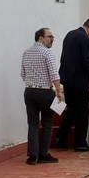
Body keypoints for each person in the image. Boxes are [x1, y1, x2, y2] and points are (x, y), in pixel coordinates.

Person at [19, 26, 65, 165]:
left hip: (29, 90)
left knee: (32, 123)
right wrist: (59, 91)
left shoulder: (26, 53)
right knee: (46, 123)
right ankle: (43, 153)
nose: (52, 39)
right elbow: (54, 74)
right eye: (50, 37)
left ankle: (32, 155)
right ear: (41, 38)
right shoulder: (47, 53)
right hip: (45, 91)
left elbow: (23, 74)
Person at [54, 16, 89, 152]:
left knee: (71, 110)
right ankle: (80, 143)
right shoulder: (84, 39)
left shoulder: (70, 34)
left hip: (67, 79)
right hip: (79, 81)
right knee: (82, 112)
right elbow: (87, 61)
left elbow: (65, 57)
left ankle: (61, 138)